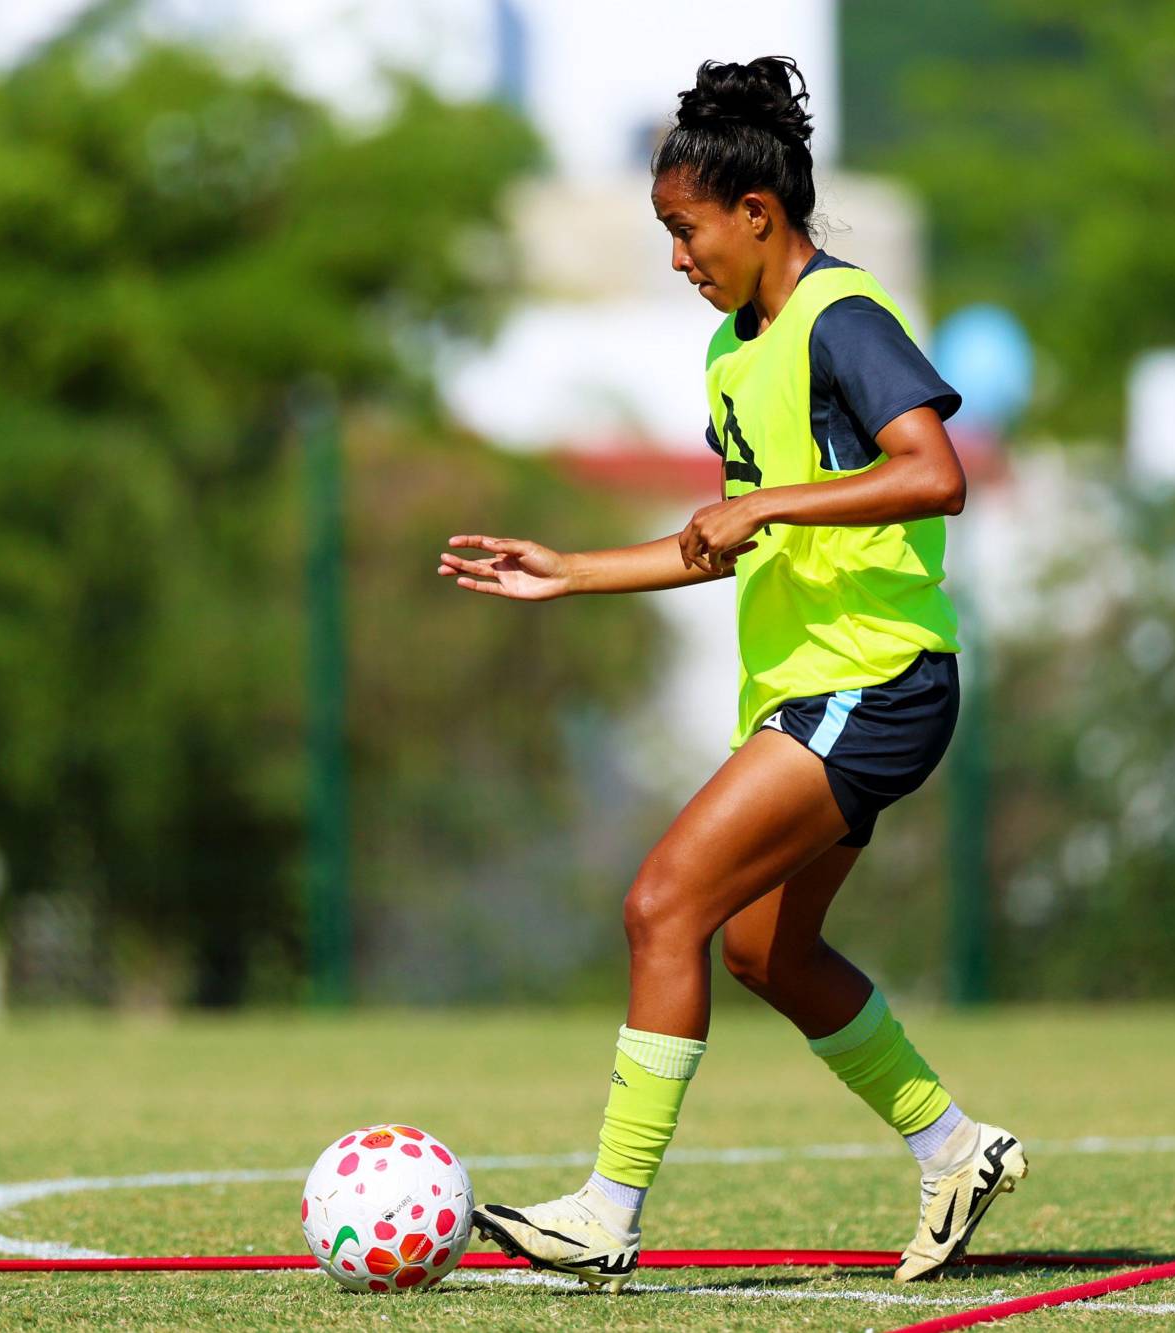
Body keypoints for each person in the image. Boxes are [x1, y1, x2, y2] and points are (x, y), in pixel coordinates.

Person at [437, 55, 1025, 1292]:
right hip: (813, 689)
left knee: (662, 905)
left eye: (683, 227)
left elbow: (934, 473)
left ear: (756, 215)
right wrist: (571, 568)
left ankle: (605, 1210)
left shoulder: (842, 319)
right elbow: (727, 533)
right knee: (762, 950)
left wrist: (771, 512)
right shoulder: (731, 352)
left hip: (874, 679)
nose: (675, 256)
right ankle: (954, 1146)